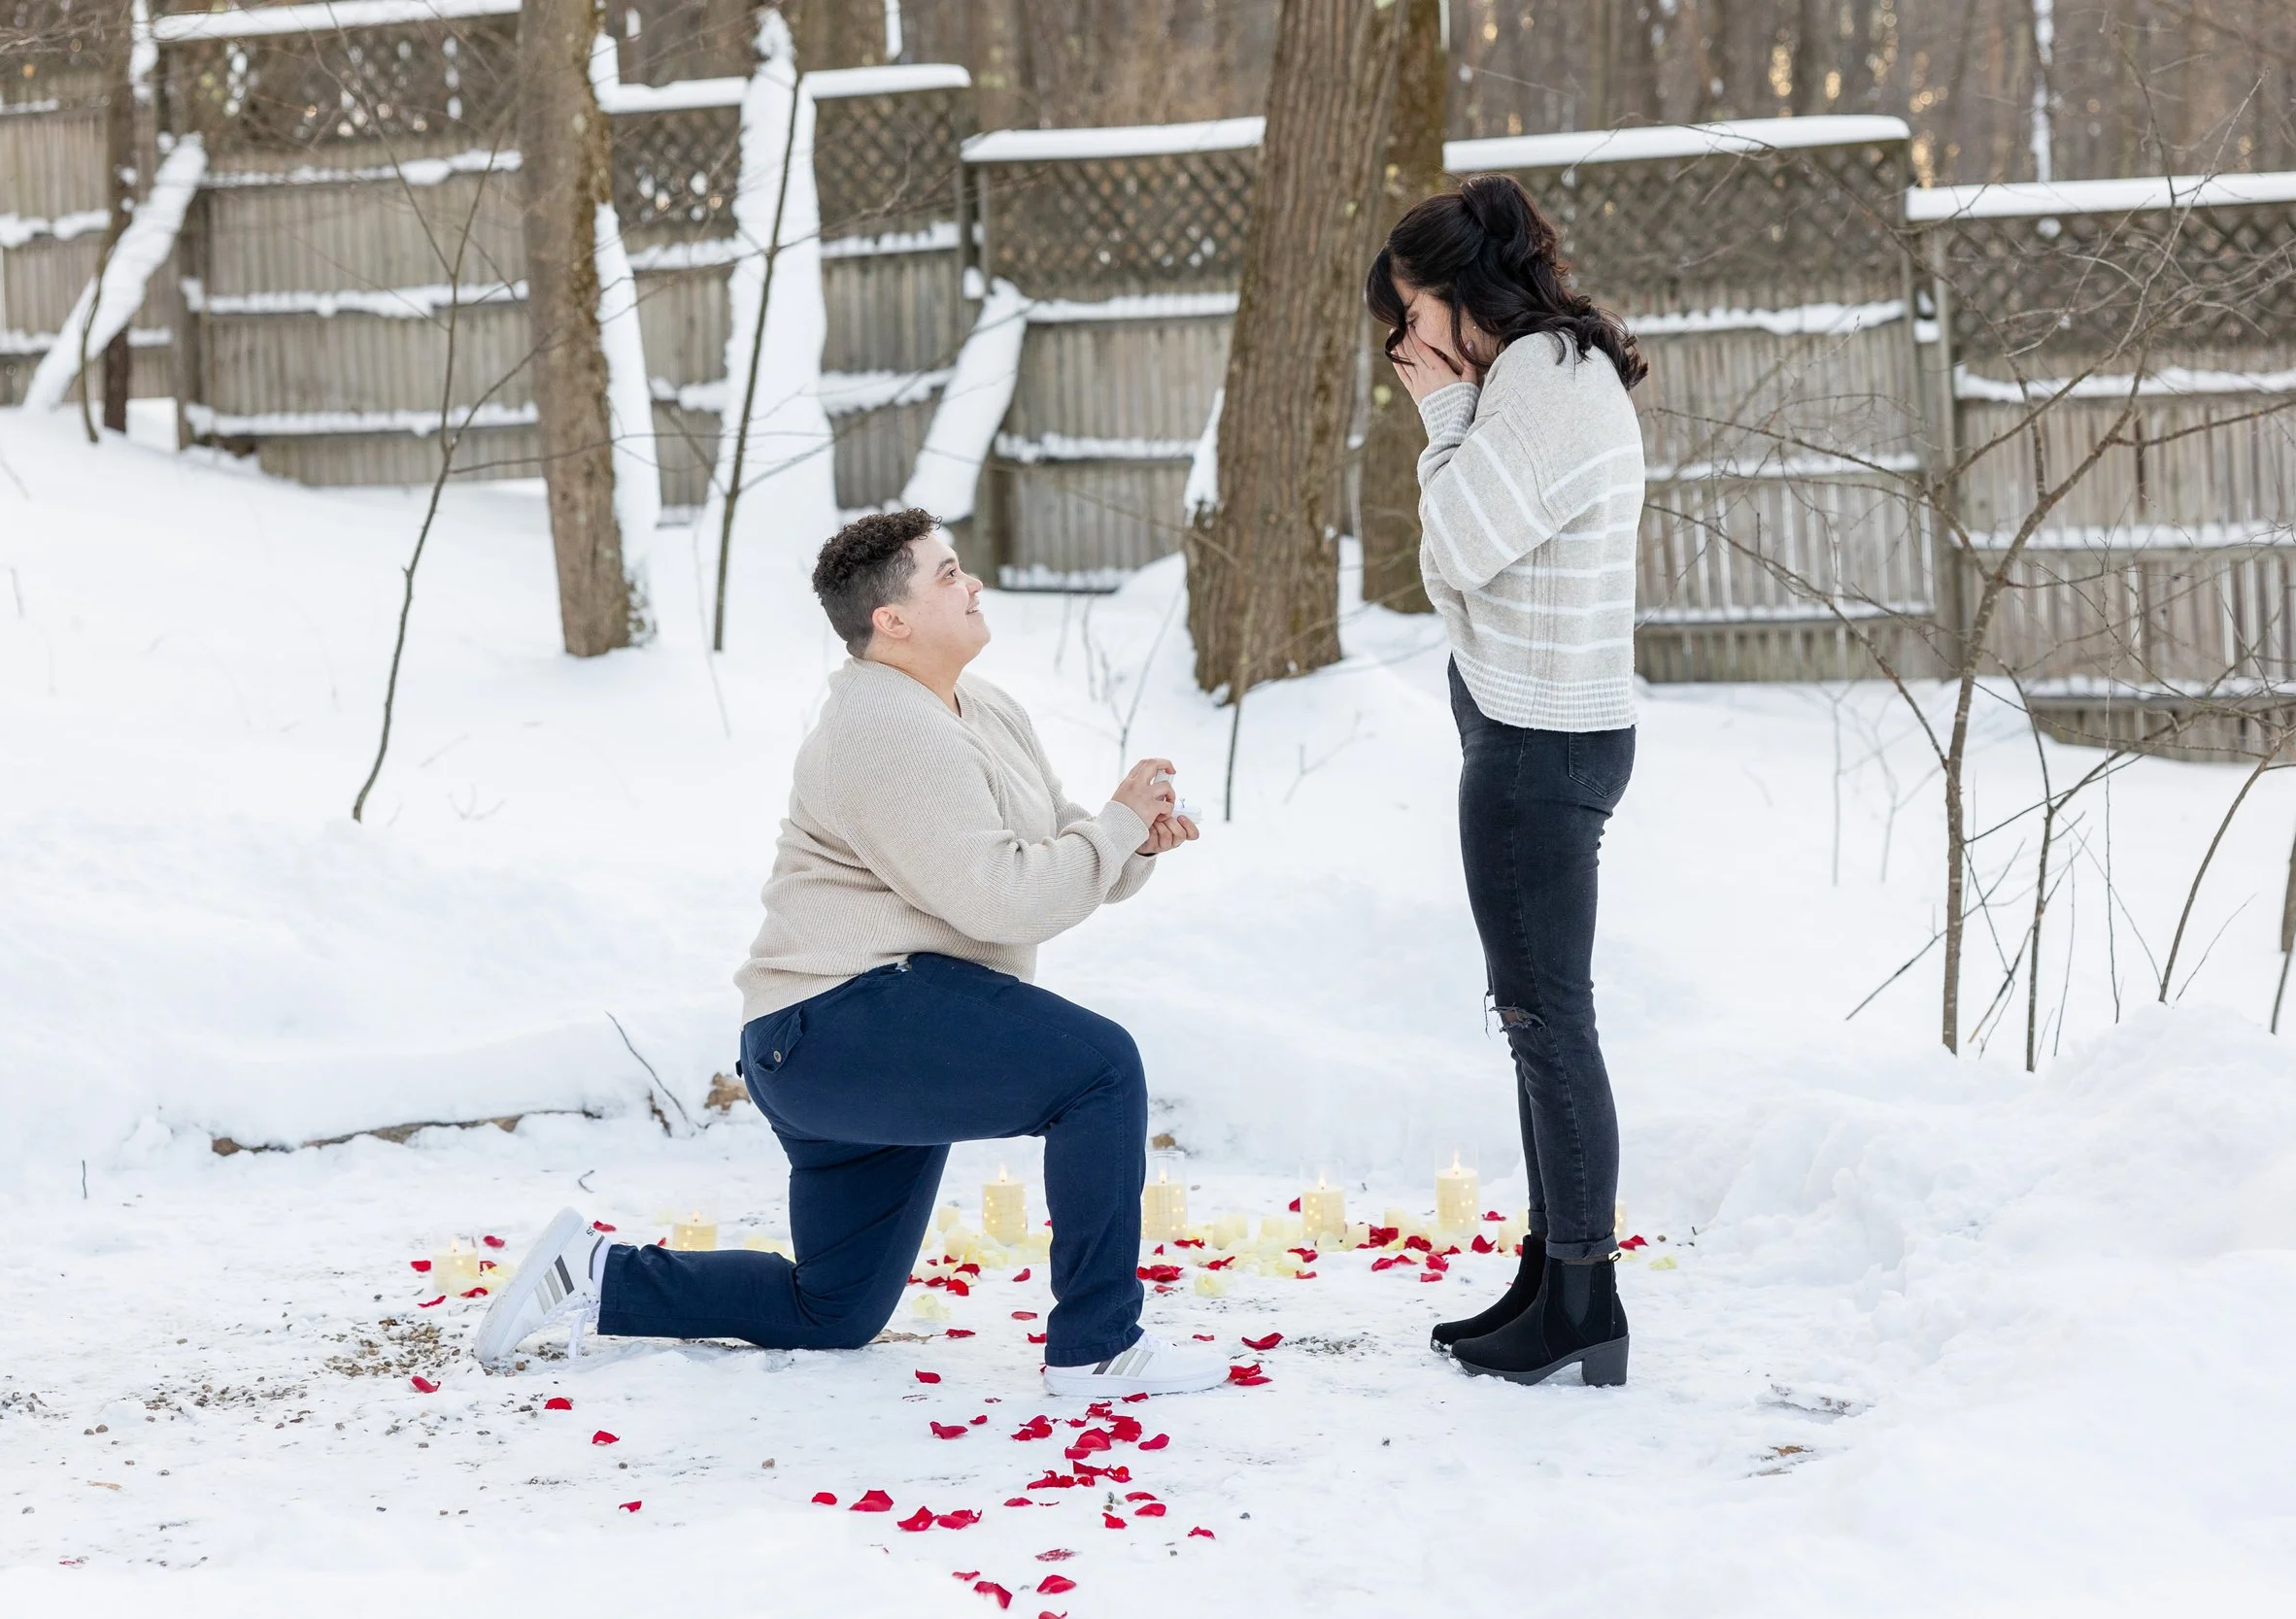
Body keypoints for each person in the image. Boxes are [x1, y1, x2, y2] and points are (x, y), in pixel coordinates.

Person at [476, 509, 1229, 1398]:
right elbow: (1000, 896)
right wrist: (1114, 829)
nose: (973, 581)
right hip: (838, 1022)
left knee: (833, 1307)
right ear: (892, 620)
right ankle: (1096, 1345)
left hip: (874, 1027)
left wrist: (1129, 842)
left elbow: (1056, 854)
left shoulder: (982, 708)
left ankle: (597, 1272)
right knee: (1101, 1069)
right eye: (948, 573)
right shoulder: (883, 726)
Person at [1366, 174, 1650, 1387]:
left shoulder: (1538, 378)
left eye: (1408, 313)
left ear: (1454, 296)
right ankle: (1554, 1274)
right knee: (1538, 1023)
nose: (1402, 345)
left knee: (1549, 1026)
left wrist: (1440, 419)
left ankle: (1583, 1302)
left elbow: (1455, 552)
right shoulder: (1544, 377)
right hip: (1540, 733)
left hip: (1538, 744)